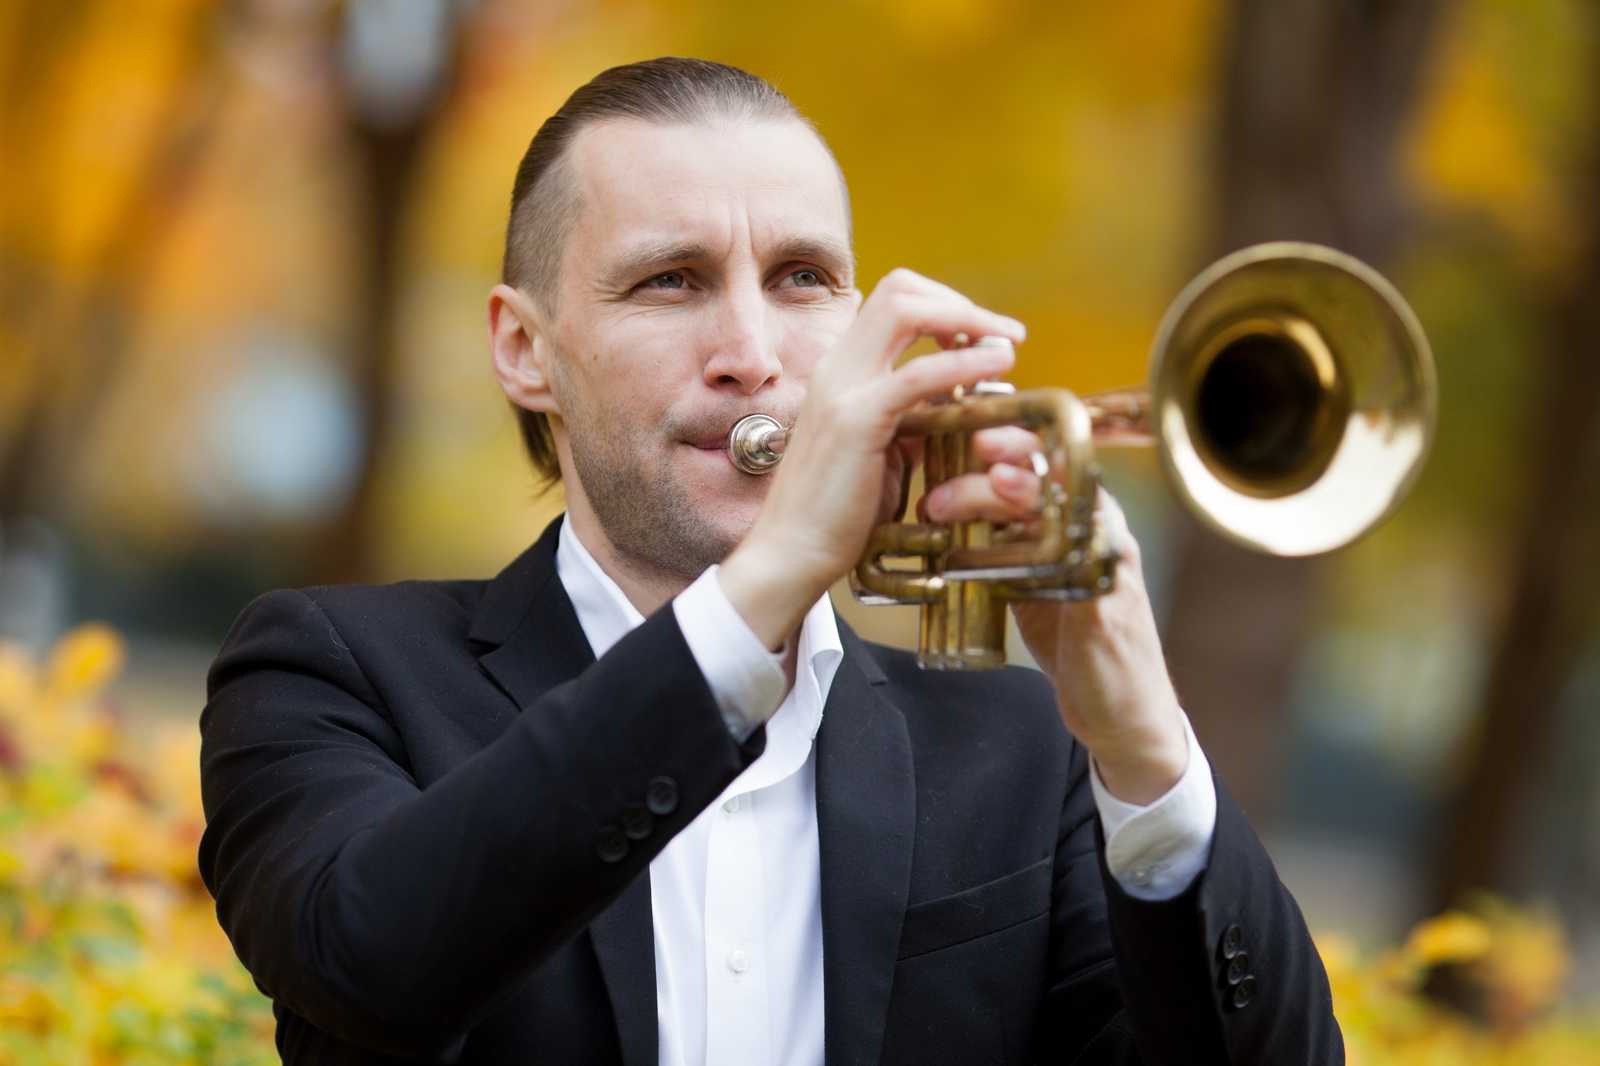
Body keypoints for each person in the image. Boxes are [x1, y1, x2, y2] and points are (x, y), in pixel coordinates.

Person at [198, 57, 1340, 1065]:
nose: (751, 355)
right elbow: (373, 972)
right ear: (523, 348)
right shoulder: (330, 673)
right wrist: (771, 577)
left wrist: (1143, 744)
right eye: (671, 281)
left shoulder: (1024, 756)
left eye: (801, 279)